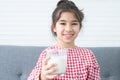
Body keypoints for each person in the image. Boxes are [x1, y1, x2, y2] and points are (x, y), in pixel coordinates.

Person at [28, 0, 101, 80]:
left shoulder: (88, 55)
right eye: (63, 23)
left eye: (74, 24)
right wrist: (42, 77)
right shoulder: (46, 54)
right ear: (54, 27)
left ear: (80, 27)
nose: (68, 29)